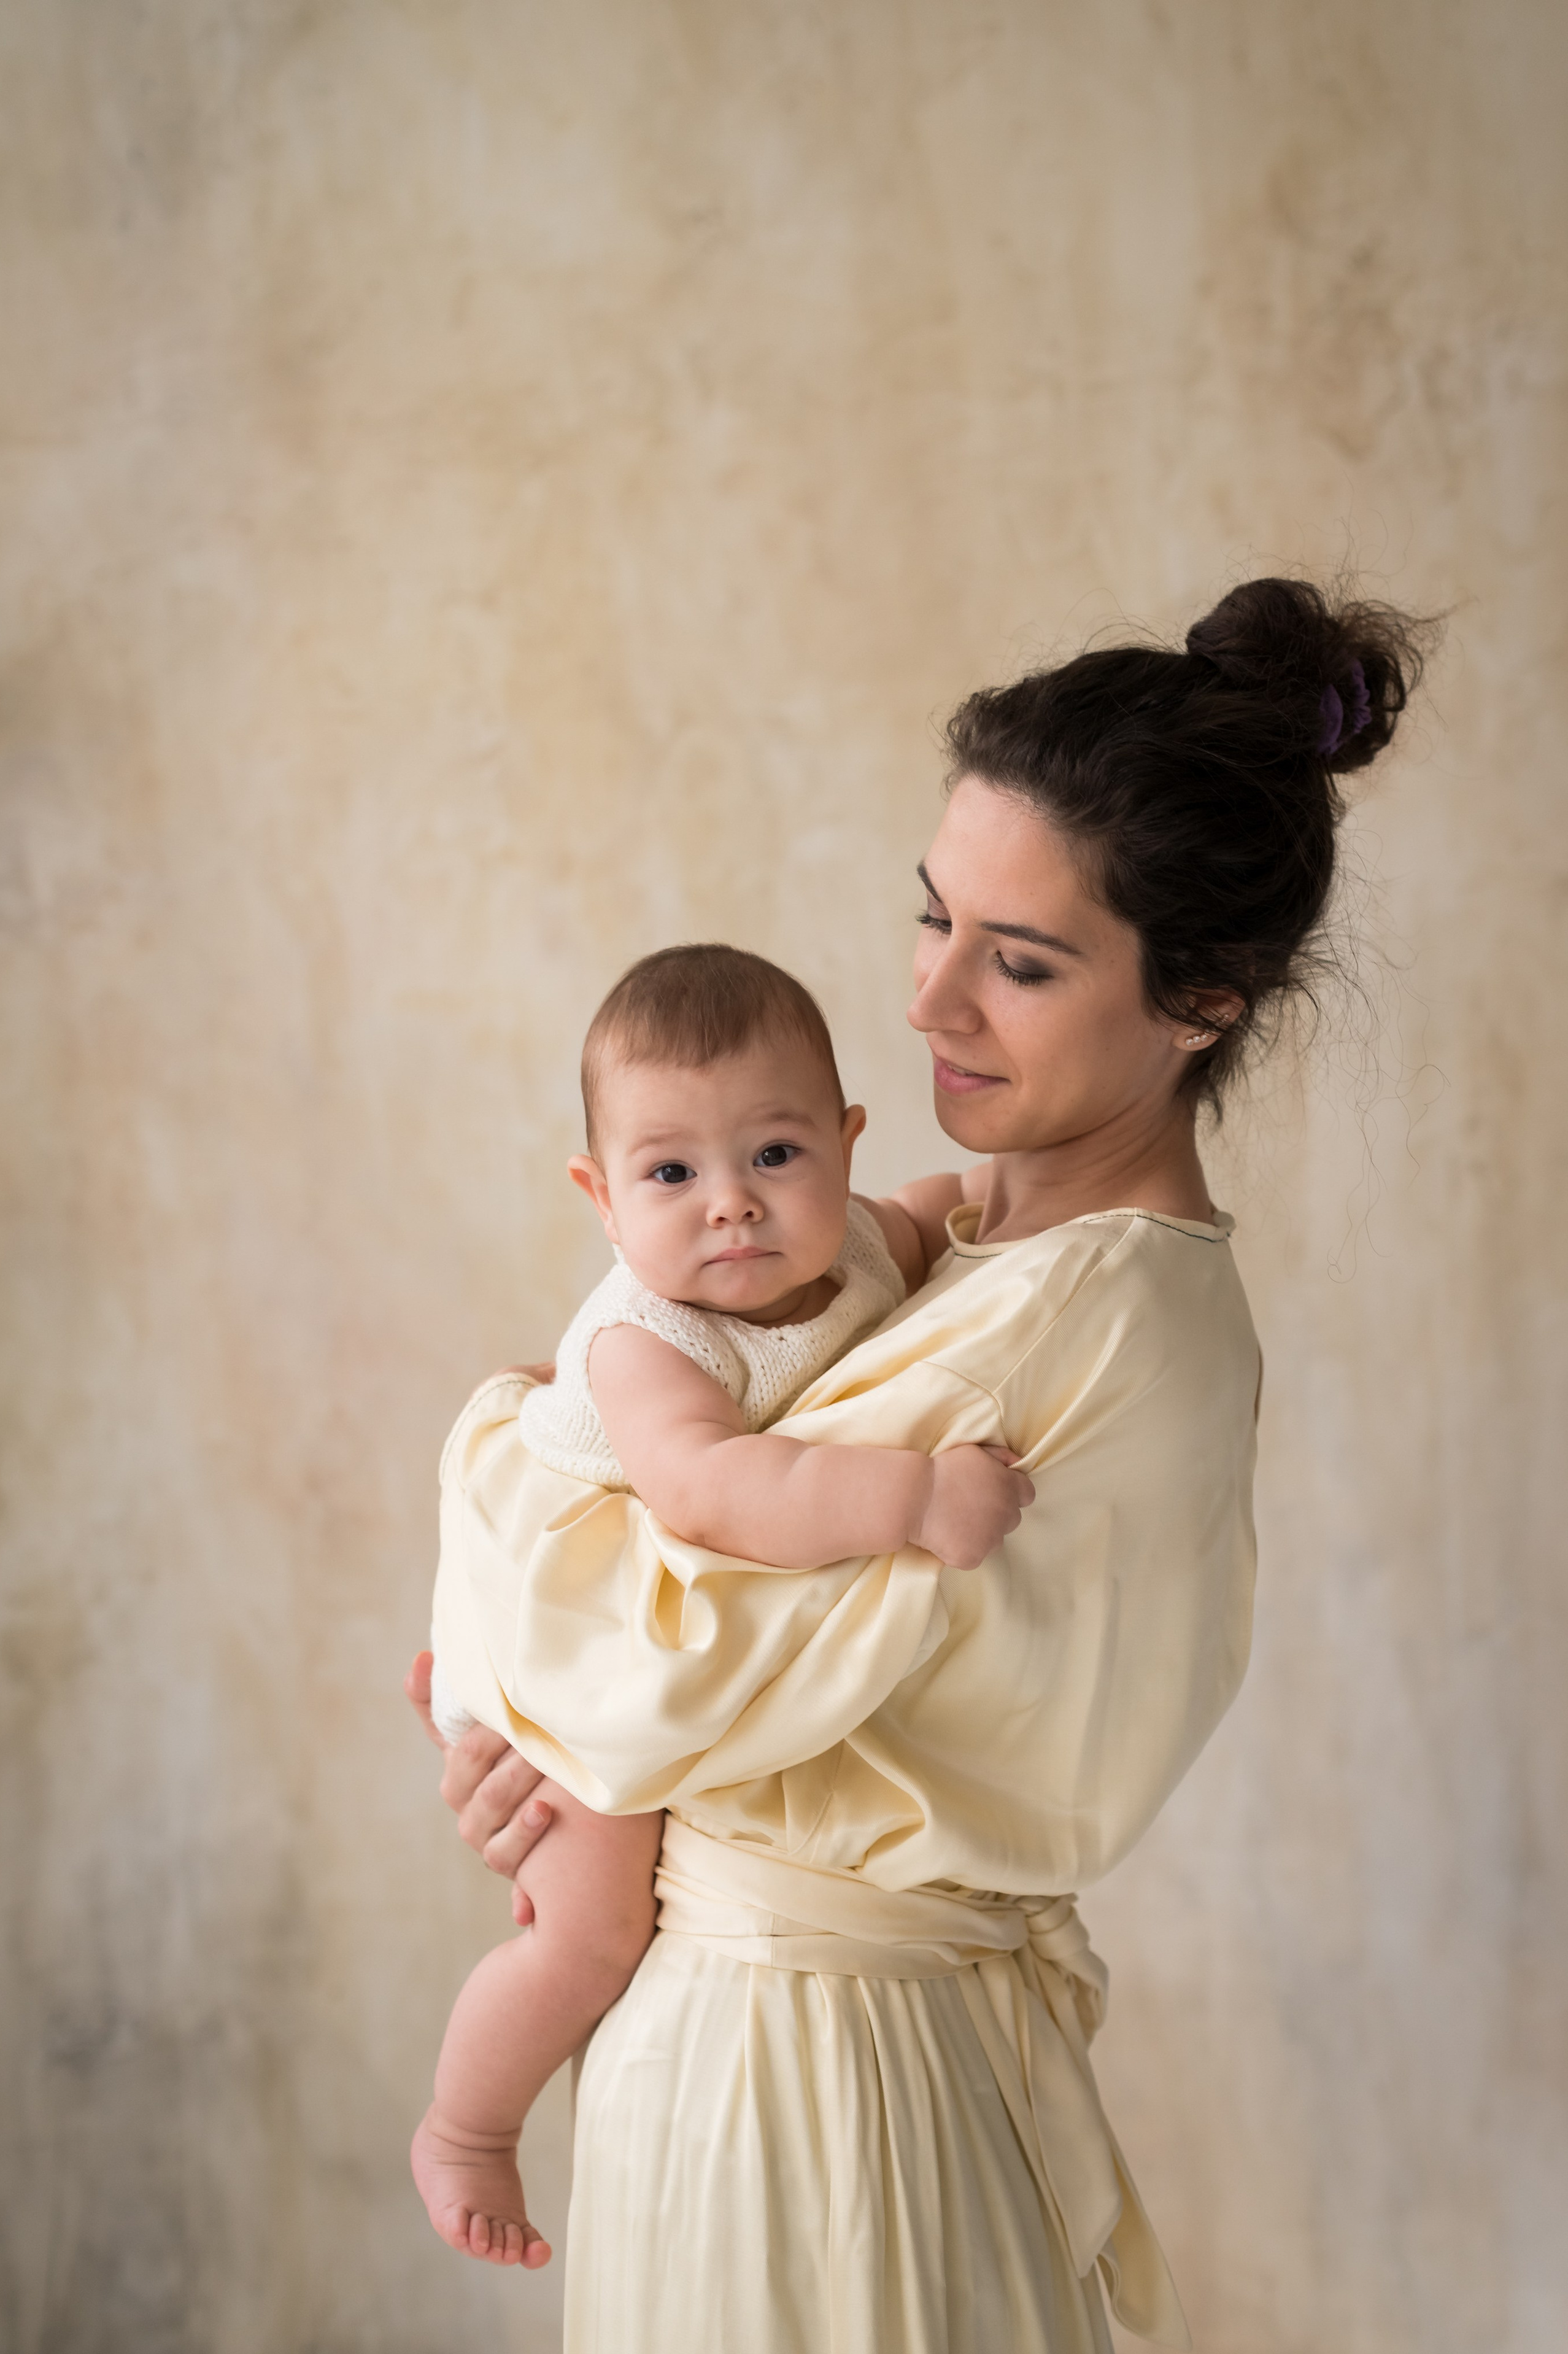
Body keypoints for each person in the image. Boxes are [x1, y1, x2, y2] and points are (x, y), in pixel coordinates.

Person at [409, 576, 1429, 2352]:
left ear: (1199, 997)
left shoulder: (1086, 1315)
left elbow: (645, 1651)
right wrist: (527, 1692)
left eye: (1020, 962)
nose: (935, 997)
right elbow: (650, 1564)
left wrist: (508, 1590)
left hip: (817, 2076)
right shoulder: (952, 1249)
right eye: (934, 916)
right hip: (768, 2034)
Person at [411, 943, 1033, 2265]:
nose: (730, 1209)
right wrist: (914, 1497)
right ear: (600, 1196)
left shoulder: (857, 1236)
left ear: (843, 1145)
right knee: (593, 1929)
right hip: (556, 1635)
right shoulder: (650, 1340)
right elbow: (708, 1493)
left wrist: (1005, 1188)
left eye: (773, 1155)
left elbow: (931, 1216)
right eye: (670, 1174)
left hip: (620, 1613)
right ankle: (466, 2125)